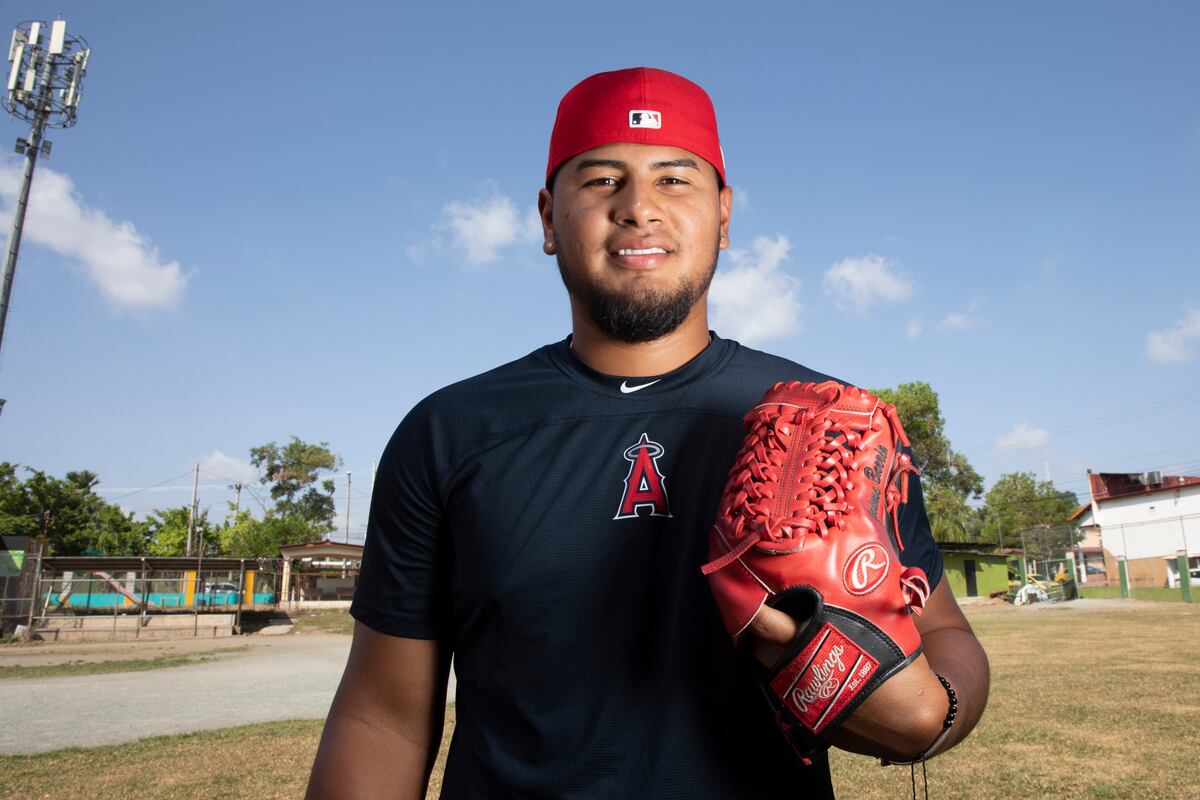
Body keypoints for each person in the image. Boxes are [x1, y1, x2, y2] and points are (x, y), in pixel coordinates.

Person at [307, 67, 989, 799]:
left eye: (674, 180)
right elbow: (384, 718)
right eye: (601, 180)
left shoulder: (828, 425)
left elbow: (946, 633)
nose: (638, 209)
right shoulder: (449, 433)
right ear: (546, 217)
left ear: (725, 214)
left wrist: (938, 711)